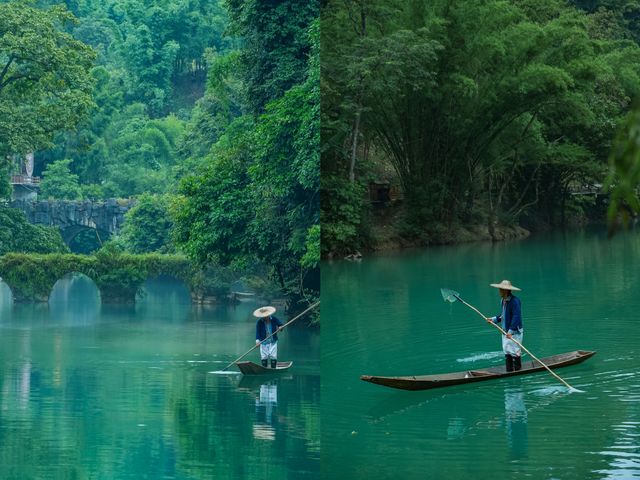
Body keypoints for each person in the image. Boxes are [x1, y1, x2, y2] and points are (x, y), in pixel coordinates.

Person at [486, 280, 523, 372]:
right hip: (505, 331)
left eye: (501, 290)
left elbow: (516, 316)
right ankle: (509, 371)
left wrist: (510, 331)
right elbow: (503, 315)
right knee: (507, 351)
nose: (499, 292)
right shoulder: (503, 300)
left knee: (515, 351)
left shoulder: (515, 301)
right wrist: (494, 319)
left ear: (506, 290)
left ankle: (518, 371)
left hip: (514, 332)